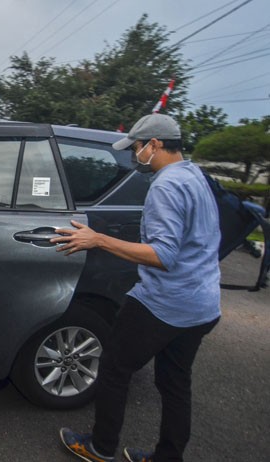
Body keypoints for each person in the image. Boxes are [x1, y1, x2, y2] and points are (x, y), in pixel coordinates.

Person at [53, 113, 221, 462]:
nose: (134, 155)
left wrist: (97, 239)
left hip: (164, 304)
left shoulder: (165, 185)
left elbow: (163, 256)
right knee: (175, 385)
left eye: (137, 147)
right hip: (203, 304)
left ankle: (100, 448)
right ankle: (167, 457)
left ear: (154, 145)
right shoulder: (195, 174)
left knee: (114, 370)